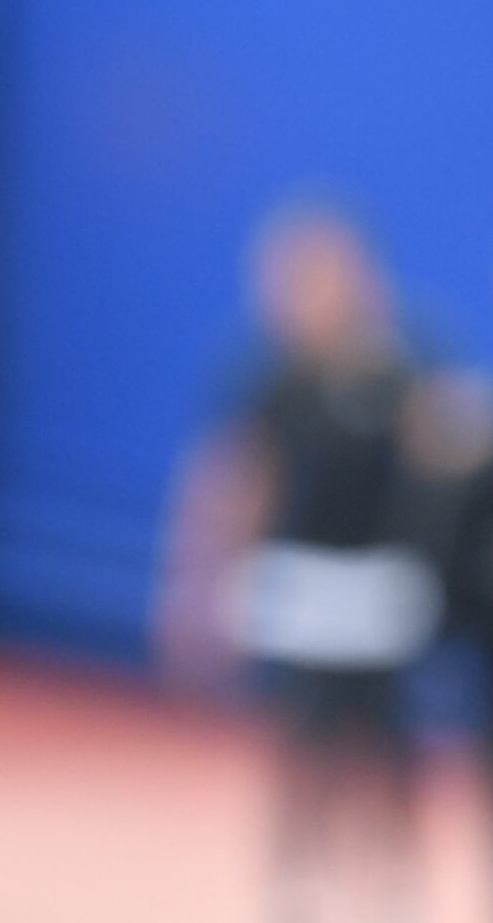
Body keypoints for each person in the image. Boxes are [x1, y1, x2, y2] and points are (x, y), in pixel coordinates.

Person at [160, 204, 439, 923]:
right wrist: (202, 588)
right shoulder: (271, 382)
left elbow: (441, 459)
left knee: (384, 735)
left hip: (381, 585)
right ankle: (300, 873)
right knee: (305, 732)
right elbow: (238, 484)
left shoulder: (406, 367)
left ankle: (392, 870)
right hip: (303, 586)